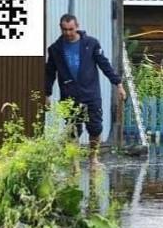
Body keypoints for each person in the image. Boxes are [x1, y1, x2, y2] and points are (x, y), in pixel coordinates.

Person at [45, 14, 126, 165]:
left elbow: (104, 65)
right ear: (60, 28)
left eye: (71, 29)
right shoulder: (55, 49)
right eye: (64, 30)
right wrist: (47, 94)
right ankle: (74, 161)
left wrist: (118, 84)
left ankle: (93, 158)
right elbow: (49, 73)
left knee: (95, 127)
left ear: (77, 26)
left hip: (90, 93)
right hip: (69, 95)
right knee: (72, 130)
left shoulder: (91, 44)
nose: (68, 33)